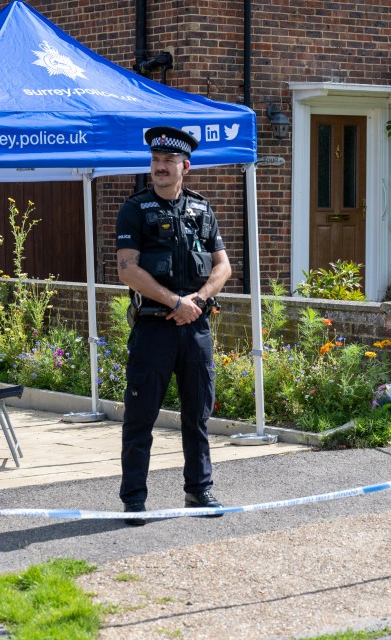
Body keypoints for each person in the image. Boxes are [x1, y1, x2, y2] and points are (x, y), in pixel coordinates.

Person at [114, 126, 232, 525]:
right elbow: (127, 268)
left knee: (197, 414)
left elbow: (223, 266)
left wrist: (196, 302)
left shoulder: (202, 209)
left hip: (195, 326)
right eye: (155, 160)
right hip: (153, 327)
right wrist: (174, 301)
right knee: (140, 415)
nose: (160, 167)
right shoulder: (135, 209)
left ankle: (199, 491)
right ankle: (134, 498)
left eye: (168, 161)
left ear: (186, 166)